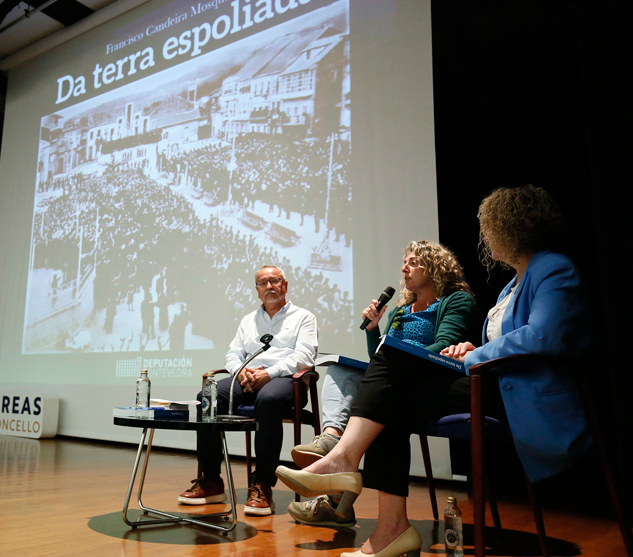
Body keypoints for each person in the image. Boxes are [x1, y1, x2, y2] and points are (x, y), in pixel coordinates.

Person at [276, 185, 591, 557]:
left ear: (510, 227)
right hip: (491, 383)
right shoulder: (511, 285)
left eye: (489, 229)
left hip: (522, 396)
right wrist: (475, 349)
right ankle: (388, 525)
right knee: (388, 407)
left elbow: (544, 335)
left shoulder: (553, 267)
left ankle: (343, 460)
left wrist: (476, 353)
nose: (485, 239)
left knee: (390, 388)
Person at [288, 240, 480, 527]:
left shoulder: (455, 299)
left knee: (383, 405)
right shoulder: (400, 311)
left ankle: (337, 485)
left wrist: (400, 354)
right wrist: (372, 329)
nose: (405, 267)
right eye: (405, 262)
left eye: (413, 262)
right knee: (340, 369)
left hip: (432, 378)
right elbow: (378, 358)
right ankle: (331, 439)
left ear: (435, 266)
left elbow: (444, 346)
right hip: (395, 377)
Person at [177, 265, 318, 516]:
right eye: (263, 283)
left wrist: (269, 374)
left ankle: (262, 483)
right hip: (247, 379)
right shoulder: (248, 320)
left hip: (286, 381)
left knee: (268, 398)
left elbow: (305, 357)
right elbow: (232, 354)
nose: (269, 287)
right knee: (207, 397)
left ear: (285, 285)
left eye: (274, 281)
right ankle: (211, 480)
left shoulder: (303, 317)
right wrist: (240, 371)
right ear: (257, 290)